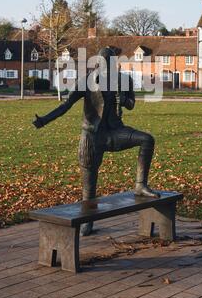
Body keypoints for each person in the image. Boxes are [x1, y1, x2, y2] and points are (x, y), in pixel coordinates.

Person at [33, 47, 159, 236]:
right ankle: (88, 221)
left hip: (115, 131)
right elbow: (65, 105)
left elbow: (131, 105)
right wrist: (44, 120)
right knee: (89, 185)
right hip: (92, 135)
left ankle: (140, 185)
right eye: (104, 64)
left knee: (147, 140)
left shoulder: (124, 80)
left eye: (111, 64)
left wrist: (123, 99)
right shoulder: (86, 82)